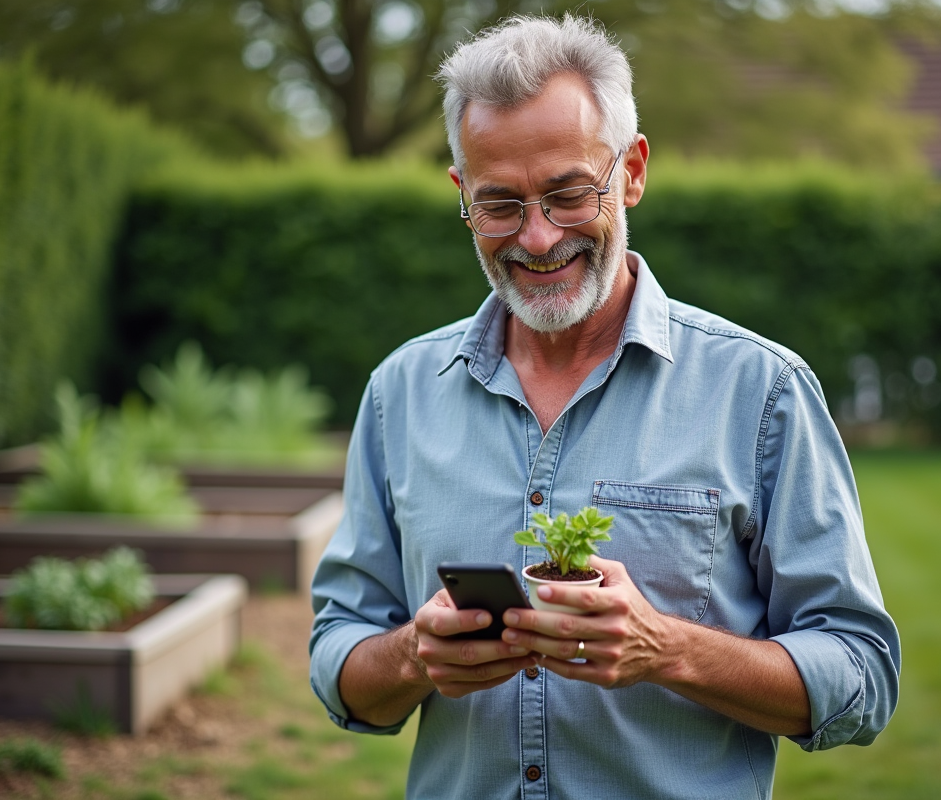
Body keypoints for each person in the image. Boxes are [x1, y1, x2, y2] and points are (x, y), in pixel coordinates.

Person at [309, 14, 900, 799]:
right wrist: (414, 654)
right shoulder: (400, 392)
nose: (540, 237)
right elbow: (337, 660)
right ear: (462, 195)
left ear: (632, 173)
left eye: (568, 193)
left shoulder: (762, 391)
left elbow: (863, 675)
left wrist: (665, 648)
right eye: (499, 205)